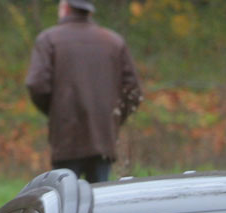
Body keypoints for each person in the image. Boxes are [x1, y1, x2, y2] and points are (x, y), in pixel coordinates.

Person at [25, 0, 143, 183]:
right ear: (89, 12)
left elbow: (36, 84)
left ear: (65, 8)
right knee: (100, 204)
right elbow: (133, 92)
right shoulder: (113, 41)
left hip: (66, 137)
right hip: (103, 136)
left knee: (66, 203)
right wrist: (114, 118)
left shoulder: (49, 39)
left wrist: (57, 112)